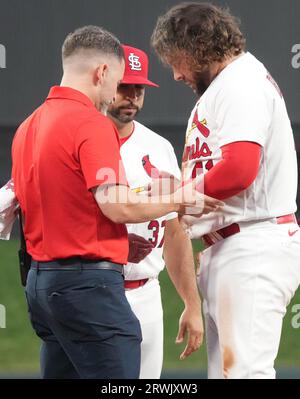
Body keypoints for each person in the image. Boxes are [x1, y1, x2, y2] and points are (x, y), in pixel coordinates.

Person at [10, 25, 222, 379]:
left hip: (42, 283)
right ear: (102, 72)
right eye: (120, 82)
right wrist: (180, 198)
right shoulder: (91, 123)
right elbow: (116, 206)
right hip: (89, 286)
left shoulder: (29, 125)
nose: (116, 95)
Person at [151, 2, 300, 379]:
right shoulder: (227, 84)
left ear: (197, 47)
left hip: (252, 244)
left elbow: (239, 168)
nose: (175, 73)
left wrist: (176, 198)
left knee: (244, 374)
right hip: (235, 244)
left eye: (176, 60)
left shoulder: (241, 83)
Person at [107, 44, 203, 379]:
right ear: (103, 81)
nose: (132, 96)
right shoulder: (77, 140)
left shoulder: (159, 148)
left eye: (139, 88)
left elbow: (175, 230)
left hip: (146, 292)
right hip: (95, 291)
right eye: (124, 86)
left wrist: (191, 303)